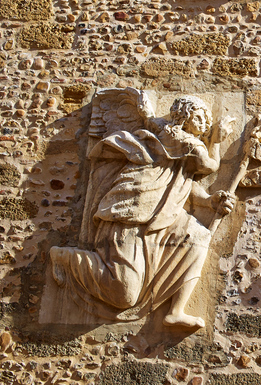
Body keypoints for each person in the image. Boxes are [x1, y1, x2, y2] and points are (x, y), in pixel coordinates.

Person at [50, 95, 236, 329]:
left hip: (163, 213)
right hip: (131, 213)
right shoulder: (188, 143)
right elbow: (209, 166)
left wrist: (208, 201)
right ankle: (65, 257)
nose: (203, 125)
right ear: (184, 116)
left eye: (206, 121)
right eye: (198, 117)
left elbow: (179, 180)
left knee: (198, 237)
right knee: (125, 295)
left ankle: (176, 311)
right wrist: (216, 140)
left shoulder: (164, 132)